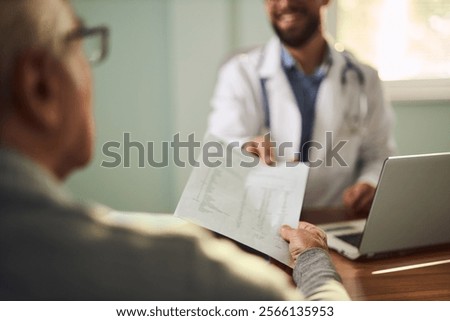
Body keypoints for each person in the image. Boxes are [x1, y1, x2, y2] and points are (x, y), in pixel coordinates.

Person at [0, 0, 349, 300]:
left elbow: (376, 152)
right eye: (79, 42)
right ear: (39, 86)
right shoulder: (183, 271)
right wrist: (313, 259)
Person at [207, 0, 396, 216]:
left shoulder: (364, 78)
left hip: (333, 219)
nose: (285, 4)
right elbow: (220, 150)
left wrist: (369, 183)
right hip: (261, 220)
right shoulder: (239, 73)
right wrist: (244, 149)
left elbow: (379, 153)